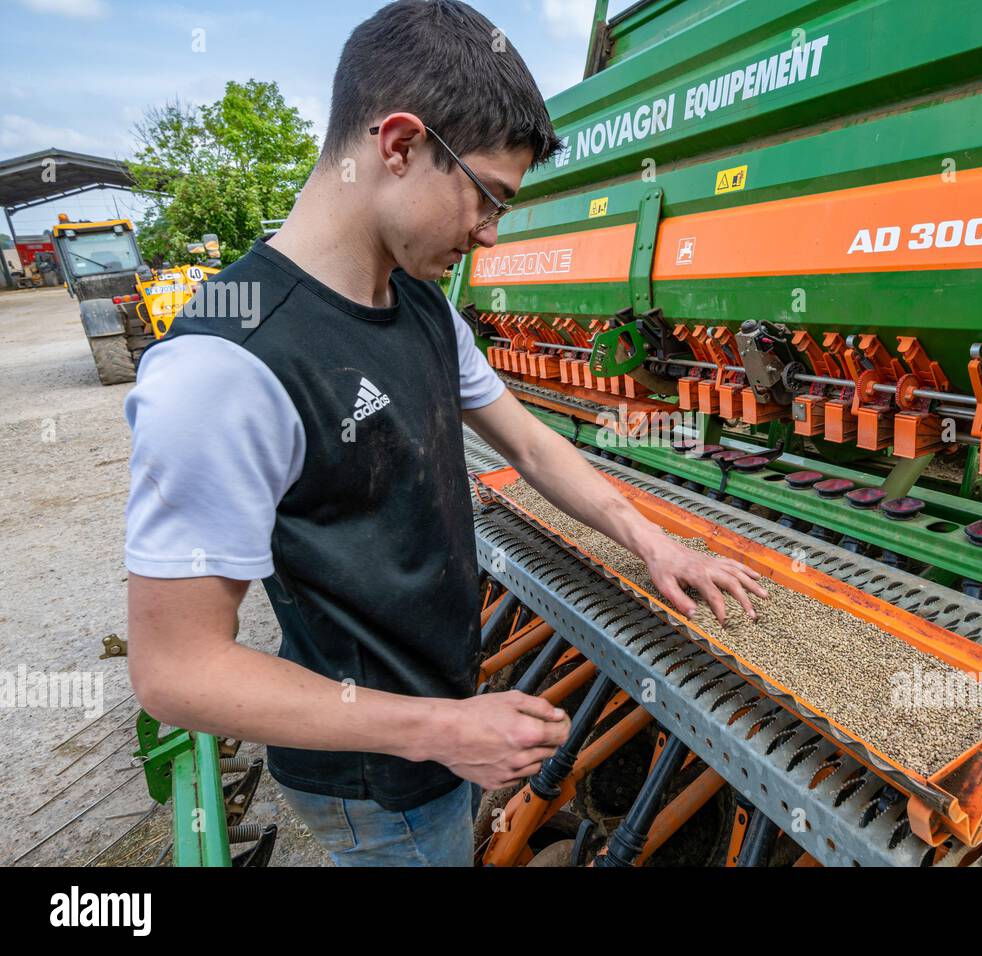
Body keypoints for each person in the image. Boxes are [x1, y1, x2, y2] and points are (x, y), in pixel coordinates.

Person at [123, 0, 766, 867]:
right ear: (399, 145)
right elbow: (178, 672)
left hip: (436, 720)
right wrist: (442, 731)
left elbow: (530, 444)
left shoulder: (420, 303)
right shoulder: (225, 368)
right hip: (375, 772)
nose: (492, 234)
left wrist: (653, 543)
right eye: (490, 197)